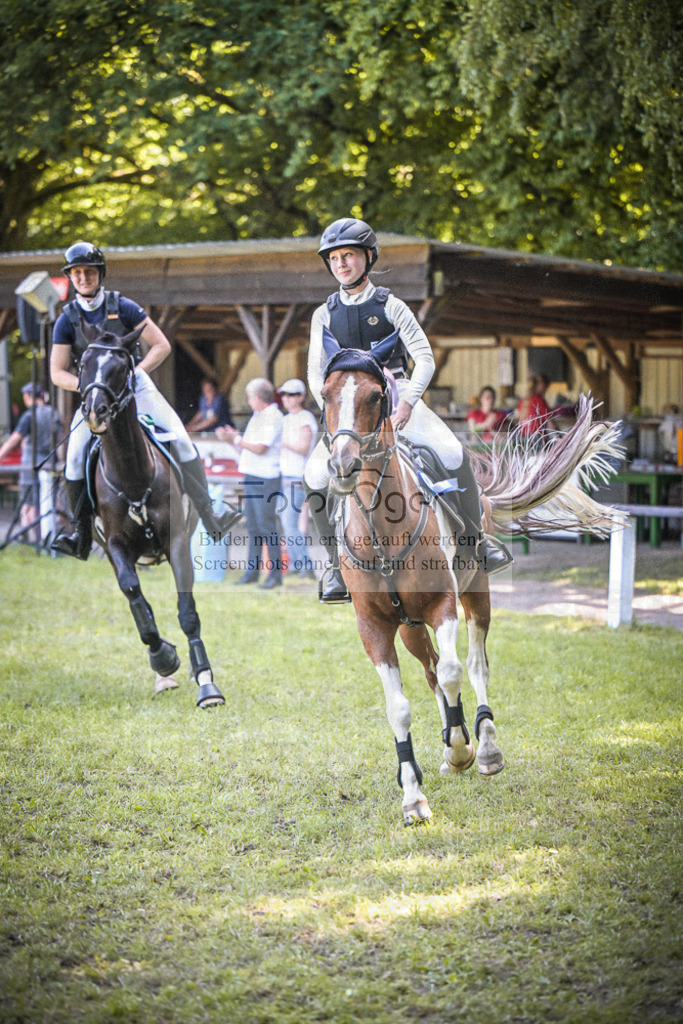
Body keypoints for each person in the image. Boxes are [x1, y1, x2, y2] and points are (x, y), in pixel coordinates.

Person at [305, 217, 511, 603]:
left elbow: (425, 359)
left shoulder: (391, 305)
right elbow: (316, 374)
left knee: (452, 452)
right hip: (349, 414)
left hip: (397, 399)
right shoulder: (324, 314)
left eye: (348, 255)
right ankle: (335, 566)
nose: (341, 264)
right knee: (314, 474)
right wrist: (336, 418)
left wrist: (407, 404)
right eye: (334, 258)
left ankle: (476, 542)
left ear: (368, 257)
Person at [49, 241, 240, 560]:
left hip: (136, 388)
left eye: (89, 271)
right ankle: (80, 536)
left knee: (181, 440)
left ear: (100, 274)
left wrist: (134, 373)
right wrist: (93, 387)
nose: (83, 277)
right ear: (70, 277)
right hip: (96, 397)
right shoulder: (66, 319)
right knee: (74, 458)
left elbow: (161, 345)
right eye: (77, 272)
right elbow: (56, 372)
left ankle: (211, 518)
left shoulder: (123, 306)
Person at [217, 378, 284, 589]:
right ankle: (252, 572)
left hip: (266, 477)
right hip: (252, 474)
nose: (249, 401)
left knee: (267, 526)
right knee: (253, 526)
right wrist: (232, 440)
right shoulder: (258, 416)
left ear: (257, 397)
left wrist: (236, 439)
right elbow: (248, 448)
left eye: (249, 397)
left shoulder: (273, 416)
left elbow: (261, 448)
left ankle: (275, 574)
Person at [0, 384, 61, 542]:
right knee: (48, 500)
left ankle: (35, 540)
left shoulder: (29, 415)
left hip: (30, 464)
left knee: (30, 502)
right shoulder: (53, 413)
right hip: (50, 462)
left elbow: (14, 439)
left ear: (28, 396)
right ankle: (49, 537)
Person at [278, 378, 317, 579]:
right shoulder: (285, 419)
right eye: (284, 394)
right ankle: (295, 563)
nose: (286, 398)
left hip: (297, 477)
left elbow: (303, 448)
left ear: (301, 397)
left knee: (290, 523)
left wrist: (281, 442)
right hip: (283, 475)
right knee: (287, 524)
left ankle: (305, 565)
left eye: (291, 394)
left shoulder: (305, 419)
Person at [516, 373, 552, 437]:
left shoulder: (523, 400)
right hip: (537, 436)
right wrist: (562, 438)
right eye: (546, 386)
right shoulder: (539, 400)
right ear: (542, 385)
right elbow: (551, 424)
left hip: (524, 437)